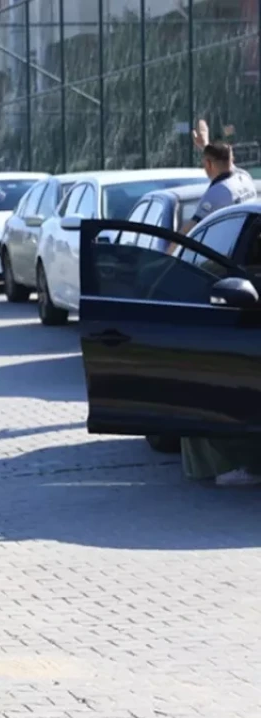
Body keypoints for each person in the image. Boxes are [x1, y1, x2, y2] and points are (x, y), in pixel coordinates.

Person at [178, 121, 261, 486]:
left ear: (209, 166)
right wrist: (207, 145)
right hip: (240, 269)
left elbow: (192, 233)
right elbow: (221, 162)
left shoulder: (215, 198)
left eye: (204, 162)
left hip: (222, 271)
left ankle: (229, 466)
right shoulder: (242, 179)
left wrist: (166, 250)